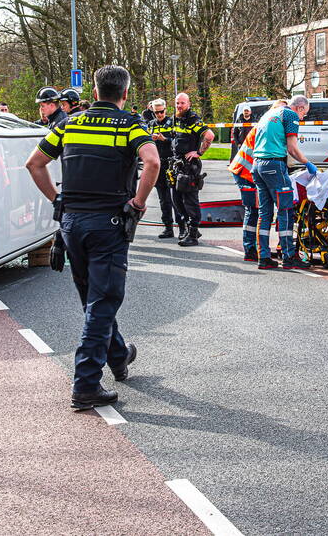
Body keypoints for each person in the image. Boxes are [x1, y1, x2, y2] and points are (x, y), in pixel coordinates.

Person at [25, 65, 160, 410]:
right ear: (124, 94)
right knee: (103, 301)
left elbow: (34, 164)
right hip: (108, 224)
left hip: (71, 224)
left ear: (96, 92)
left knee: (93, 299)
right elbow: (153, 162)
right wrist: (139, 203)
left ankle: (118, 356)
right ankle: (85, 383)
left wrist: (56, 200)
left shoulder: (68, 124)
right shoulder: (131, 124)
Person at [251, 96, 314, 270]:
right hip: (274, 165)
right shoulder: (290, 115)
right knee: (285, 210)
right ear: (300, 108)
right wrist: (307, 163)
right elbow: (292, 148)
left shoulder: (270, 113)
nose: (302, 118)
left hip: (257, 165)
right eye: (304, 114)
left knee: (265, 213)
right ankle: (289, 256)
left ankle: (263, 256)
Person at [227, 101, 286, 262]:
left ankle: (251, 248)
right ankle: (250, 249)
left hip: (248, 171)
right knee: (253, 210)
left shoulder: (266, 124)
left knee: (254, 210)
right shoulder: (268, 127)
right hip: (244, 172)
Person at [170, 92, 214, 247]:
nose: (179, 106)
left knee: (190, 201)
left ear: (188, 104)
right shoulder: (175, 117)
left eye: (182, 103)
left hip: (190, 167)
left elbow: (209, 135)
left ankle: (193, 234)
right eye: (177, 103)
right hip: (177, 165)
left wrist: (199, 152)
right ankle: (189, 228)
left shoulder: (192, 118)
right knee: (176, 200)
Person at [148, 98, 178, 239]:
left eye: (161, 112)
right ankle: (168, 227)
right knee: (163, 198)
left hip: (171, 164)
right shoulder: (151, 124)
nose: (159, 115)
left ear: (166, 109)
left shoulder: (172, 122)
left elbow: (179, 142)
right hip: (158, 165)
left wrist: (164, 140)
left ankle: (183, 227)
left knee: (177, 198)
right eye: (156, 112)